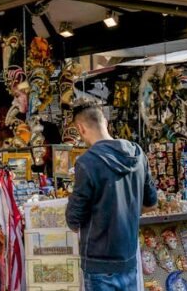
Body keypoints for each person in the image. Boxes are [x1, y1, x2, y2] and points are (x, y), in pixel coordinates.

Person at [65, 104, 157, 291]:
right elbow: (151, 204)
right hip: (129, 258)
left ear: (80, 129)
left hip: (100, 263)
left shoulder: (86, 163)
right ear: (105, 122)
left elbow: (73, 220)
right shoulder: (138, 154)